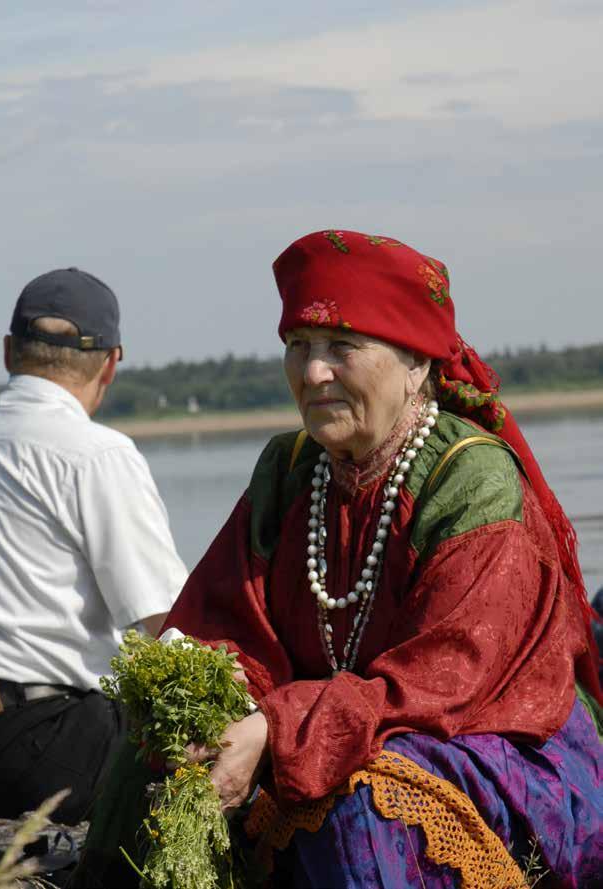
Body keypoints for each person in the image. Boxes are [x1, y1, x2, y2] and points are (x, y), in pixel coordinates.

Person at [73, 232, 602, 888]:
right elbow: (227, 622)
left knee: (363, 805)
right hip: (325, 727)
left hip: (491, 746)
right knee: (154, 756)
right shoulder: (291, 470)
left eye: (341, 348)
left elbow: (444, 681)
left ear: (415, 363)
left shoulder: (473, 482)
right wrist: (221, 713)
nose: (313, 372)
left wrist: (274, 731)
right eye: (299, 346)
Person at [0, 268, 188, 824]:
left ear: (7, 352)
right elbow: (163, 622)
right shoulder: (97, 455)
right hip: (42, 750)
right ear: (112, 364)